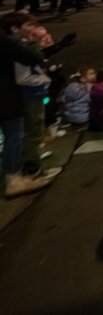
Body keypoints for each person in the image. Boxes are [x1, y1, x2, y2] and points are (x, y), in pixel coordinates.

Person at [0, 29, 55, 198]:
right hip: (5, 93)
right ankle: (14, 178)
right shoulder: (7, 42)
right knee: (15, 133)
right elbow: (27, 56)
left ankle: (18, 173)